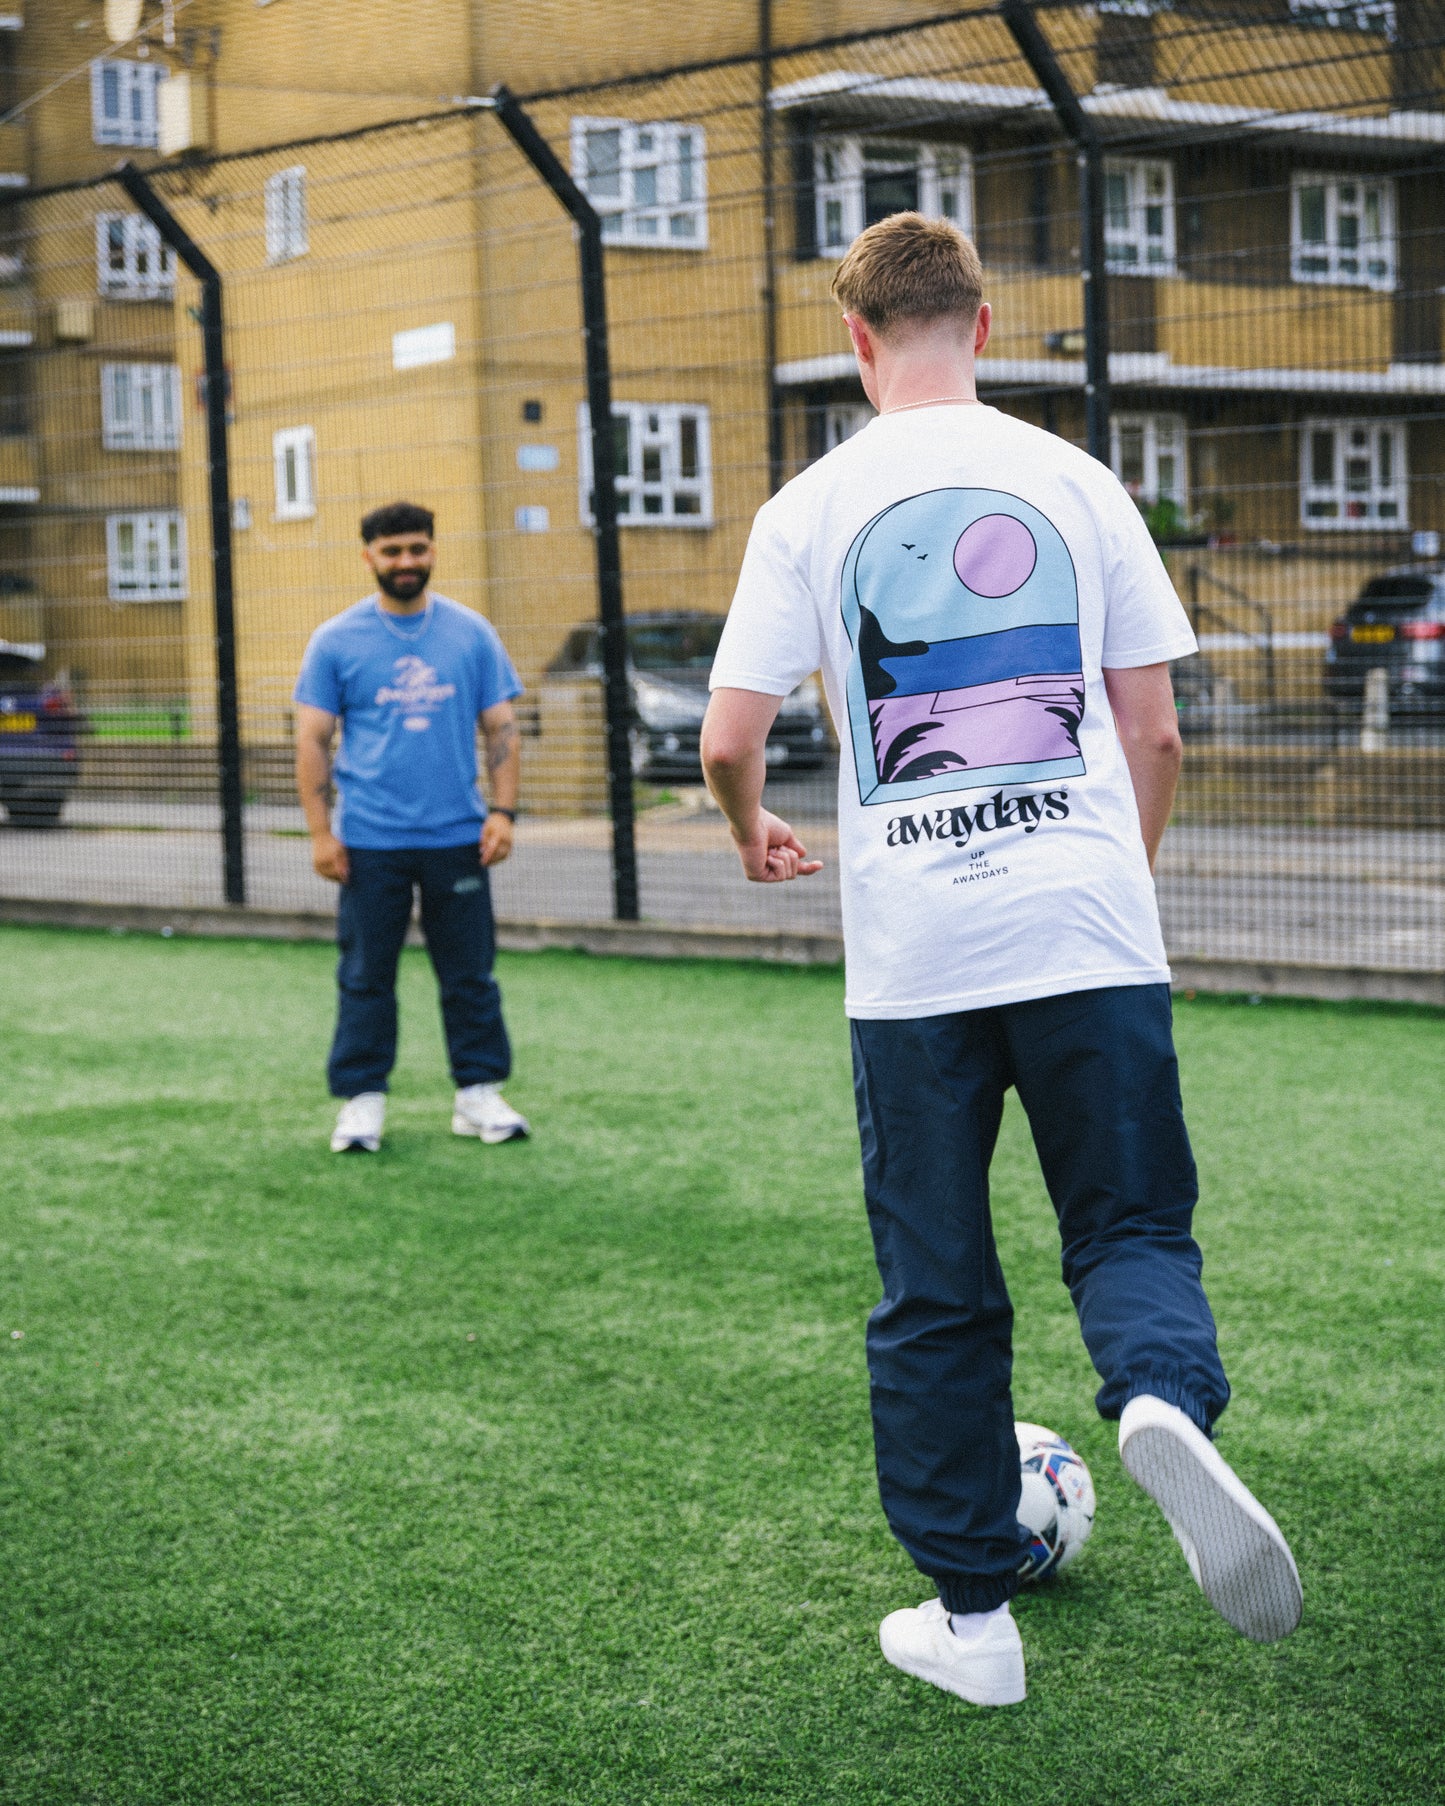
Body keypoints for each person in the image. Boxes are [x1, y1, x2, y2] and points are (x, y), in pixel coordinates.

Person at [701, 214, 1301, 1707]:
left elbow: (727, 736)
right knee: (1128, 1224)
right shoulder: (1079, 480)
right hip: (1085, 925)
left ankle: (972, 1623)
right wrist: (1112, 878)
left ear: (856, 340)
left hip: (914, 957)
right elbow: (1155, 730)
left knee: (936, 1280)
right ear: (981, 322)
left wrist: (752, 824)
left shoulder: (808, 505)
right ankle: (1160, 1396)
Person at [293, 501, 530, 1153]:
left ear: (433, 550)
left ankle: (477, 1096)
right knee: (367, 974)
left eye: (417, 549)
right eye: (392, 551)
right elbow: (313, 740)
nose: (406, 562)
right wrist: (320, 832)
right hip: (368, 841)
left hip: (457, 836)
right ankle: (361, 1102)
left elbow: (502, 727)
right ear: (368, 555)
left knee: (470, 974)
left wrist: (503, 814)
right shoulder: (335, 641)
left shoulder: (470, 633)